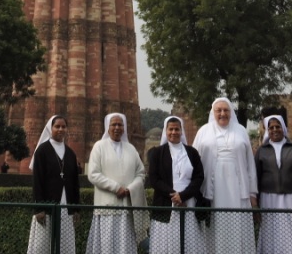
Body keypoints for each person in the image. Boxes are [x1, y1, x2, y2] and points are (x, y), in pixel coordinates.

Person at [191, 97, 258, 254]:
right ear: (213, 112)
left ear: (231, 112)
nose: (222, 113)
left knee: (237, 224)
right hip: (211, 191)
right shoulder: (203, 131)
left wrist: (252, 193)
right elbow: (193, 161)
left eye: (226, 110)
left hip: (238, 189)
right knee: (214, 225)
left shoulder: (241, 131)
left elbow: (250, 164)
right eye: (219, 110)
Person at [86, 112, 147, 254]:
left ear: (124, 128)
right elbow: (93, 174)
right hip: (107, 207)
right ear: (107, 127)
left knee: (125, 246)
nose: (117, 128)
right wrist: (116, 188)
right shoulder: (99, 146)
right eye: (114, 124)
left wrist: (130, 189)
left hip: (127, 207)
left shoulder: (131, 149)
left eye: (120, 125)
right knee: (107, 246)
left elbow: (141, 173)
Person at [147, 115, 207, 254]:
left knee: (189, 238)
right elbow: (154, 179)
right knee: (166, 241)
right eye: (171, 129)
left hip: (188, 202)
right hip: (166, 203)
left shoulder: (192, 152)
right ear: (166, 131)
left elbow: (199, 177)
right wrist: (174, 196)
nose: (174, 132)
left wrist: (183, 196)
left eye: (177, 129)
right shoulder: (157, 153)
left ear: (181, 131)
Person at [28, 114, 81, 254]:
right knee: (43, 244)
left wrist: (76, 208)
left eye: (63, 127)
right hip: (47, 206)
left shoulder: (70, 153)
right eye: (57, 126)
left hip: (66, 205)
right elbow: (37, 181)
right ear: (50, 129)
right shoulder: (42, 151)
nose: (60, 129)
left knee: (65, 243)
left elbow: (75, 183)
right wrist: (39, 208)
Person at [255, 114, 292, 254]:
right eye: (271, 128)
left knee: (291, 233)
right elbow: (256, 176)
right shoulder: (262, 150)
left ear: (283, 128)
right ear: (267, 130)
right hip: (268, 198)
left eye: (277, 126)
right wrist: (256, 203)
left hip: (291, 197)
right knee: (270, 234)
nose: (275, 130)